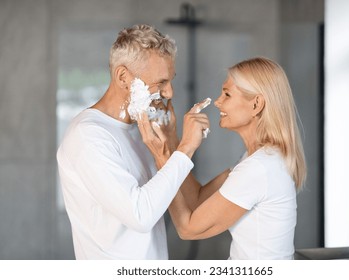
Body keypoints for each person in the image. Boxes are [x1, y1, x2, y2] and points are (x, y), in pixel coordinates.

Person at [56, 24, 209, 259]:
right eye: (161, 82)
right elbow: (140, 215)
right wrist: (186, 148)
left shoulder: (140, 131)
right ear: (123, 77)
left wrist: (171, 144)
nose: (169, 93)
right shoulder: (87, 136)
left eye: (171, 81)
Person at [140, 57, 307, 260]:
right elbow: (198, 199)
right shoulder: (255, 159)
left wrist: (162, 156)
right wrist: (174, 142)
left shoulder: (259, 168)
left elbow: (188, 229)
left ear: (256, 104)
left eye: (227, 94)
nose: (218, 101)